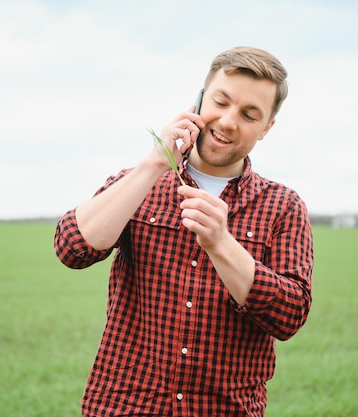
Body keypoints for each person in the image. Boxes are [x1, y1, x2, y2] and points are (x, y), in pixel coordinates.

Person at [54, 46, 314, 417]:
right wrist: (153, 164)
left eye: (249, 114)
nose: (227, 121)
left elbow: (289, 315)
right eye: (220, 102)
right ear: (198, 100)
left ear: (266, 128)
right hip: (124, 407)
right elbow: (71, 249)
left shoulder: (283, 206)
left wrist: (221, 244)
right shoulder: (139, 182)